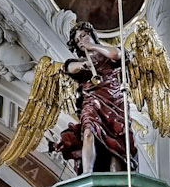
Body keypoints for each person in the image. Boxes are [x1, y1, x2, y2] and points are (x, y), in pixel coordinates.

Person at [56, 20, 131, 174]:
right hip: (91, 100)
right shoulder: (81, 62)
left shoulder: (107, 53)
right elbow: (68, 67)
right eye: (77, 40)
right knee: (89, 132)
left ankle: (116, 178)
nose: (81, 41)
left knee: (115, 142)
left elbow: (117, 55)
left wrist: (93, 46)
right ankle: (87, 174)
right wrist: (82, 65)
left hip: (113, 98)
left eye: (83, 35)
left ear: (92, 35)